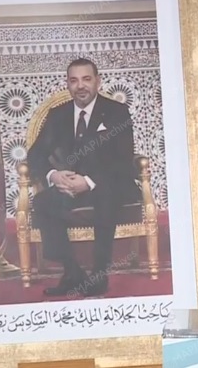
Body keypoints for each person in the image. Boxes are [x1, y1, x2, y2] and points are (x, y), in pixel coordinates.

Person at [27, 58, 137, 297]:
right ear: (67, 84)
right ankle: (72, 272)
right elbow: (35, 155)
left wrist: (87, 182)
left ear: (98, 81)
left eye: (86, 79)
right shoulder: (58, 115)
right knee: (43, 202)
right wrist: (54, 175)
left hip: (108, 184)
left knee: (106, 195)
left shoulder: (117, 112)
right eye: (74, 80)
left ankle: (99, 274)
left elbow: (123, 159)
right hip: (69, 186)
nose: (81, 86)